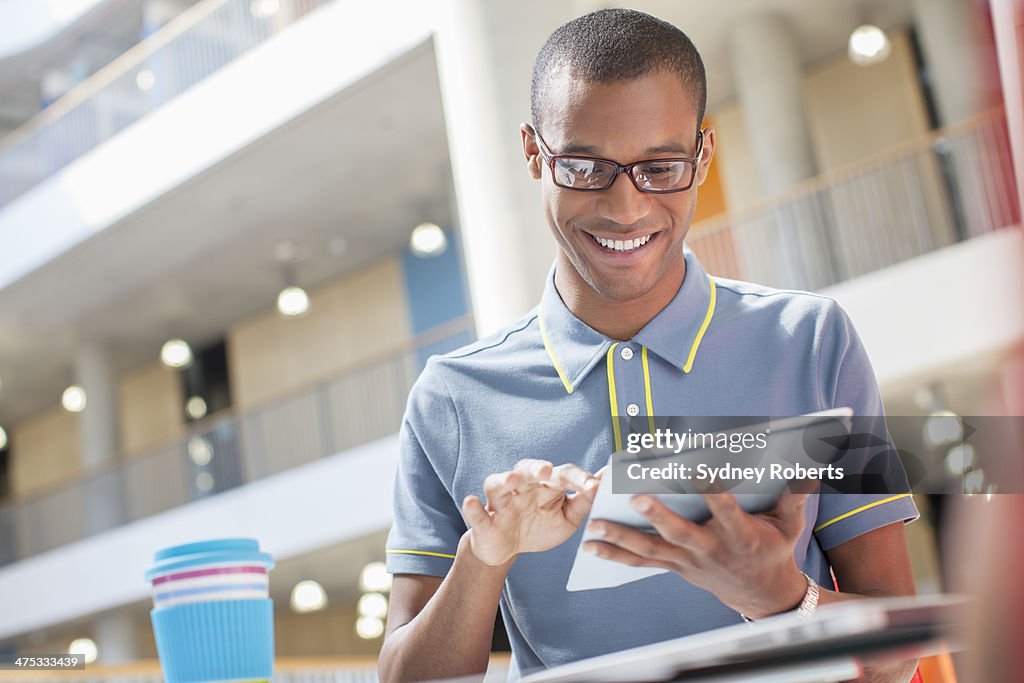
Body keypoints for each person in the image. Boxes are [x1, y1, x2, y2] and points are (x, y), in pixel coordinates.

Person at [379, 9, 920, 683]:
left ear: (703, 155)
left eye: (661, 166)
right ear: (532, 152)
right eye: (583, 166)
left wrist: (778, 597)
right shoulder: (452, 399)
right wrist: (483, 558)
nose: (626, 208)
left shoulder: (812, 343)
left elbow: (899, 652)